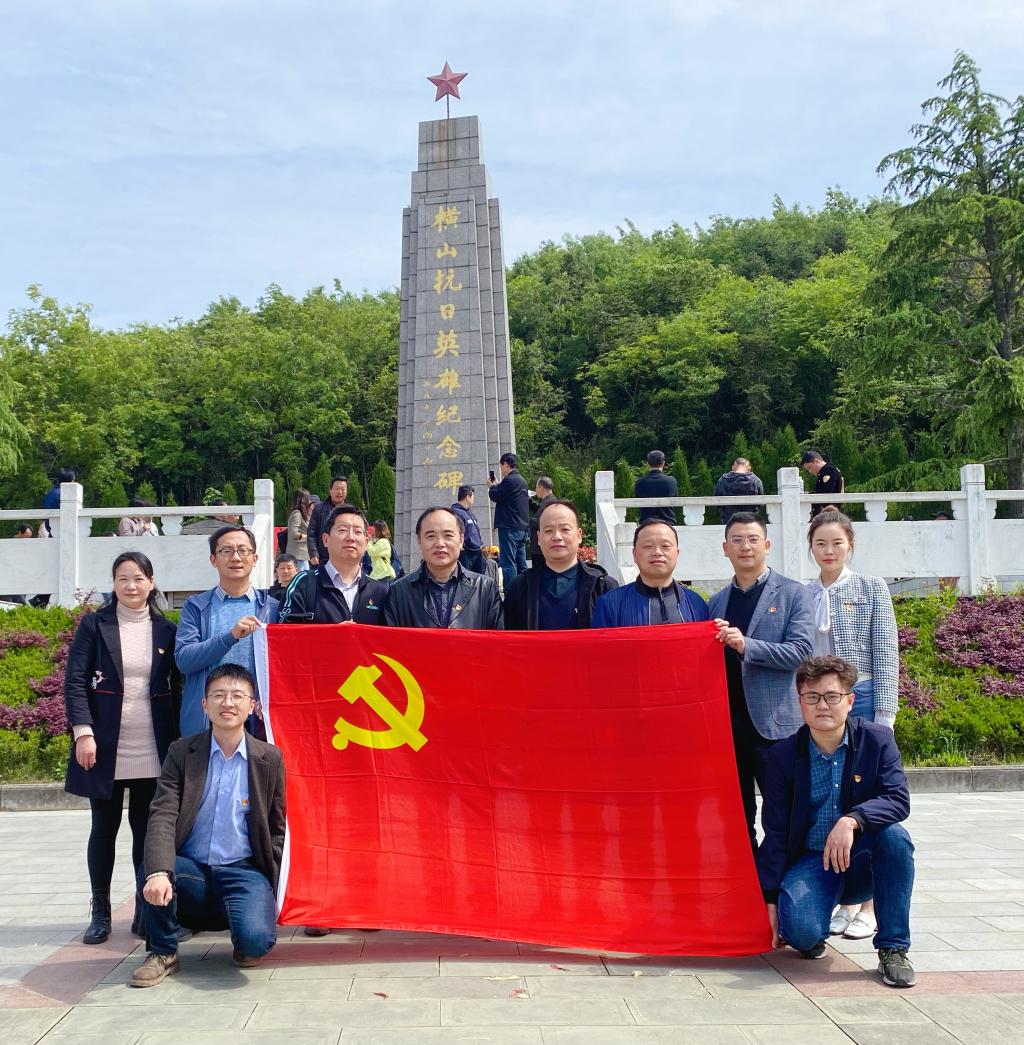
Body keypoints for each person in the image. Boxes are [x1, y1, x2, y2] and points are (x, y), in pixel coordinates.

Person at [758, 655, 916, 988]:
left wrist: (852, 820)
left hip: (862, 862)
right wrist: (769, 898)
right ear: (800, 702)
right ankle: (812, 921)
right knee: (799, 933)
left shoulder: (877, 741)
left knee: (894, 838)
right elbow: (775, 832)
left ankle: (893, 948)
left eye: (832, 696)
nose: (822, 705)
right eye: (812, 697)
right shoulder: (782, 757)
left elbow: (897, 799)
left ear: (850, 700)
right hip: (812, 860)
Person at [130, 664, 285, 986]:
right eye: (218, 695)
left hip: (243, 870)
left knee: (255, 943)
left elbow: (277, 825)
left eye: (237, 696)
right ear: (204, 704)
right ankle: (163, 952)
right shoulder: (182, 752)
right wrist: (158, 872)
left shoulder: (269, 758)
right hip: (192, 868)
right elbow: (162, 813)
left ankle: (242, 924)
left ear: (252, 705)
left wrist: (273, 883)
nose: (227, 703)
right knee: (154, 868)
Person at [64, 551, 179, 944]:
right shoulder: (95, 625)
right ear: (113, 584)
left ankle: (145, 910)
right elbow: (75, 681)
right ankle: (100, 911)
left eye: (138, 578)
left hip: (152, 745)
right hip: (105, 746)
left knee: (146, 832)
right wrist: (83, 732)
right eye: (123, 578)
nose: (131, 585)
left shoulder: (166, 629)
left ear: (151, 582)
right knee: (104, 828)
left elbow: (176, 687)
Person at [806, 508, 900, 940]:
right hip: (821, 706)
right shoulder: (805, 593)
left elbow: (886, 652)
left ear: (850, 545)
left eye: (836, 543)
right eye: (820, 543)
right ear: (811, 547)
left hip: (861, 698)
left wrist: (885, 717)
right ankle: (846, 900)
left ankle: (870, 906)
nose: (829, 551)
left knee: (867, 798)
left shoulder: (870, 587)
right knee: (832, 798)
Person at [708, 513, 815, 847]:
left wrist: (746, 646)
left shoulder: (794, 594)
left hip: (775, 728)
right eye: (737, 540)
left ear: (767, 545)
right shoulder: (716, 602)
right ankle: (750, 876)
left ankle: (785, 877)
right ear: (725, 548)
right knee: (737, 817)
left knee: (784, 814)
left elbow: (801, 652)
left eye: (753, 539)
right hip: (728, 729)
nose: (746, 546)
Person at [174, 525, 277, 736]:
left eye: (243, 550)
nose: (236, 557)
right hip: (208, 720)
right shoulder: (196, 607)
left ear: (255, 559)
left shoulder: (271, 607)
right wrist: (230, 637)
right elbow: (184, 660)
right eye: (226, 551)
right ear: (213, 560)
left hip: (258, 720)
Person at [506, 499, 618, 630]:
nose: (557, 537)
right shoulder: (520, 587)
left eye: (565, 529)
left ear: (579, 535)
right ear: (539, 538)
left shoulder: (603, 588)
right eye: (548, 530)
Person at [384, 507, 502, 629]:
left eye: (448, 535)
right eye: (431, 536)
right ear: (419, 541)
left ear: (461, 540)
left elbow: (498, 639)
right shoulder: (398, 593)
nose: (440, 543)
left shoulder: (485, 589)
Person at [279, 505, 389, 624]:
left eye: (357, 532)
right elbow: (284, 631)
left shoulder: (380, 592)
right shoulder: (303, 584)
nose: (351, 537)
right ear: (326, 539)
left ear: (366, 542)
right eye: (342, 530)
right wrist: (334, 633)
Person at [592, 519, 709, 627]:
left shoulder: (696, 603)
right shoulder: (610, 604)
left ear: (677, 553)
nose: (657, 552)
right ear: (634, 554)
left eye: (665, 546)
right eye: (648, 546)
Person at [487, 453, 530, 589]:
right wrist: (498, 486)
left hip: (509, 528)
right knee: (521, 563)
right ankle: (524, 592)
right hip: (522, 528)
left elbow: (495, 495)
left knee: (508, 563)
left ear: (506, 464)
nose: (501, 470)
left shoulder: (509, 480)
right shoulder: (522, 481)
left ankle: (511, 593)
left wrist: (492, 486)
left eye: (501, 466)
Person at [306, 475, 348, 568]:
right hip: (322, 558)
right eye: (337, 489)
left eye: (343, 489)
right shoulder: (318, 509)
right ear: (330, 490)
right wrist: (313, 554)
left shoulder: (350, 511)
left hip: (344, 558)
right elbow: (311, 533)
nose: (340, 492)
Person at [713, 458, 765, 524]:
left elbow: (716, 502)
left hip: (729, 522)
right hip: (751, 522)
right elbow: (761, 503)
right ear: (749, 468)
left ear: (732, 467)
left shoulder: (723, 480)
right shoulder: (756, 480)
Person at [634, 450, 678, 525]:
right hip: (668, 522)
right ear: (663, 463)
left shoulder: (639, 482)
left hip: (646, 522)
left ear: (647, 464)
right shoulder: (672, 481)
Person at [451, 485, 485, 574]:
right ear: (468, 496)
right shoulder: (456, 512)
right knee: (465, 577)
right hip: (465, 552)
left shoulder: (469, 513)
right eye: (473, 496)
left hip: (477, 551)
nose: (473, 500)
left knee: (479, 578)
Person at [800, 451, 845, 518]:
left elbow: (825, 492)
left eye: (809, 467)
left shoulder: (829, 470)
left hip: (829, 514)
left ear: (816, 461)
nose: (810, 471)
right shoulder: (826, 471)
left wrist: (809, 495)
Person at [528, 476, 556, 570]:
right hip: (540, 547)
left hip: (541, 549)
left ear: (541, 487)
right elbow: (539, 511)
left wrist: (525, 519)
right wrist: (529, 500)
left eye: (536, 487)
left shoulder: (550, 503)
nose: (535, 490)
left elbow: (542, 523)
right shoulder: (549, 501)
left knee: (540, 573)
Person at [286, 488, 313, 569]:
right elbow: (293, 534)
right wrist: (308, 537)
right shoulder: (297, 514)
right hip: (297, 556)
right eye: (308, 498)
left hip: (301, 556)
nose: (310, 501)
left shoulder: (302, 514)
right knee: (301, 576)